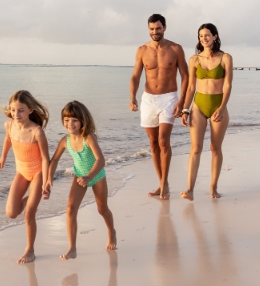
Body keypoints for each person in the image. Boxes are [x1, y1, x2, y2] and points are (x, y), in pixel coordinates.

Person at [46, 101, 117, 260]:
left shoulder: (88, 137)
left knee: (102, 209)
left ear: (83, 121)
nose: (70, 123)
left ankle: (111, 232)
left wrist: (90, 176)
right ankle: (72, 248)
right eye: (66, 120)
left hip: (96, 176)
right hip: (79, 176)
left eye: (74, 120)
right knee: (70, 209)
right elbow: (55, 159)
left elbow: (100, 160)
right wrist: (49, 179)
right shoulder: (65, 140)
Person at [129, 14, 188, 199]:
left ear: (165, 28)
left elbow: (186, 76)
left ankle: (163, 183)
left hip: (169, 98)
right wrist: (132, 97)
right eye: (152, 29)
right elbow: (135, 76)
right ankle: (162, 182)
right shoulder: (142, 50)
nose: (155, 32)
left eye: (158, 28)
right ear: (148, 29)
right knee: (153, 143)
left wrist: (182, 102)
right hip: (148, 100)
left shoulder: (175, 49)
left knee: (163, 140)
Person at [180, 23, 234, 200]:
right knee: (195, 148)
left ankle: (213, 187)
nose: (204, 38)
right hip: (198, 106)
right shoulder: (194, 60)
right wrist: (185, 110)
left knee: (215, 148)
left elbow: (228, 86)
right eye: (201, 35)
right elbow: (190, 88)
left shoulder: (225, 58)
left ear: (215, 36)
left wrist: (222, 107)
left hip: (219, 105)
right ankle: (189, 190)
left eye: (207, 35)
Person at [0, 90, 51, 264]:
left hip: (38, 173)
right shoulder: (9, 125)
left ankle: (30, 250)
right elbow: (8, 140)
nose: (16, 114)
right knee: (12, 212)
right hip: (21, 171)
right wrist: (3, 156)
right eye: (13, 110)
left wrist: (46, 181)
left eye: (20, 110)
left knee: (29, 214)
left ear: (30, 110)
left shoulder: (37, 132)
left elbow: (45, 158)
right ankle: (33, 199)